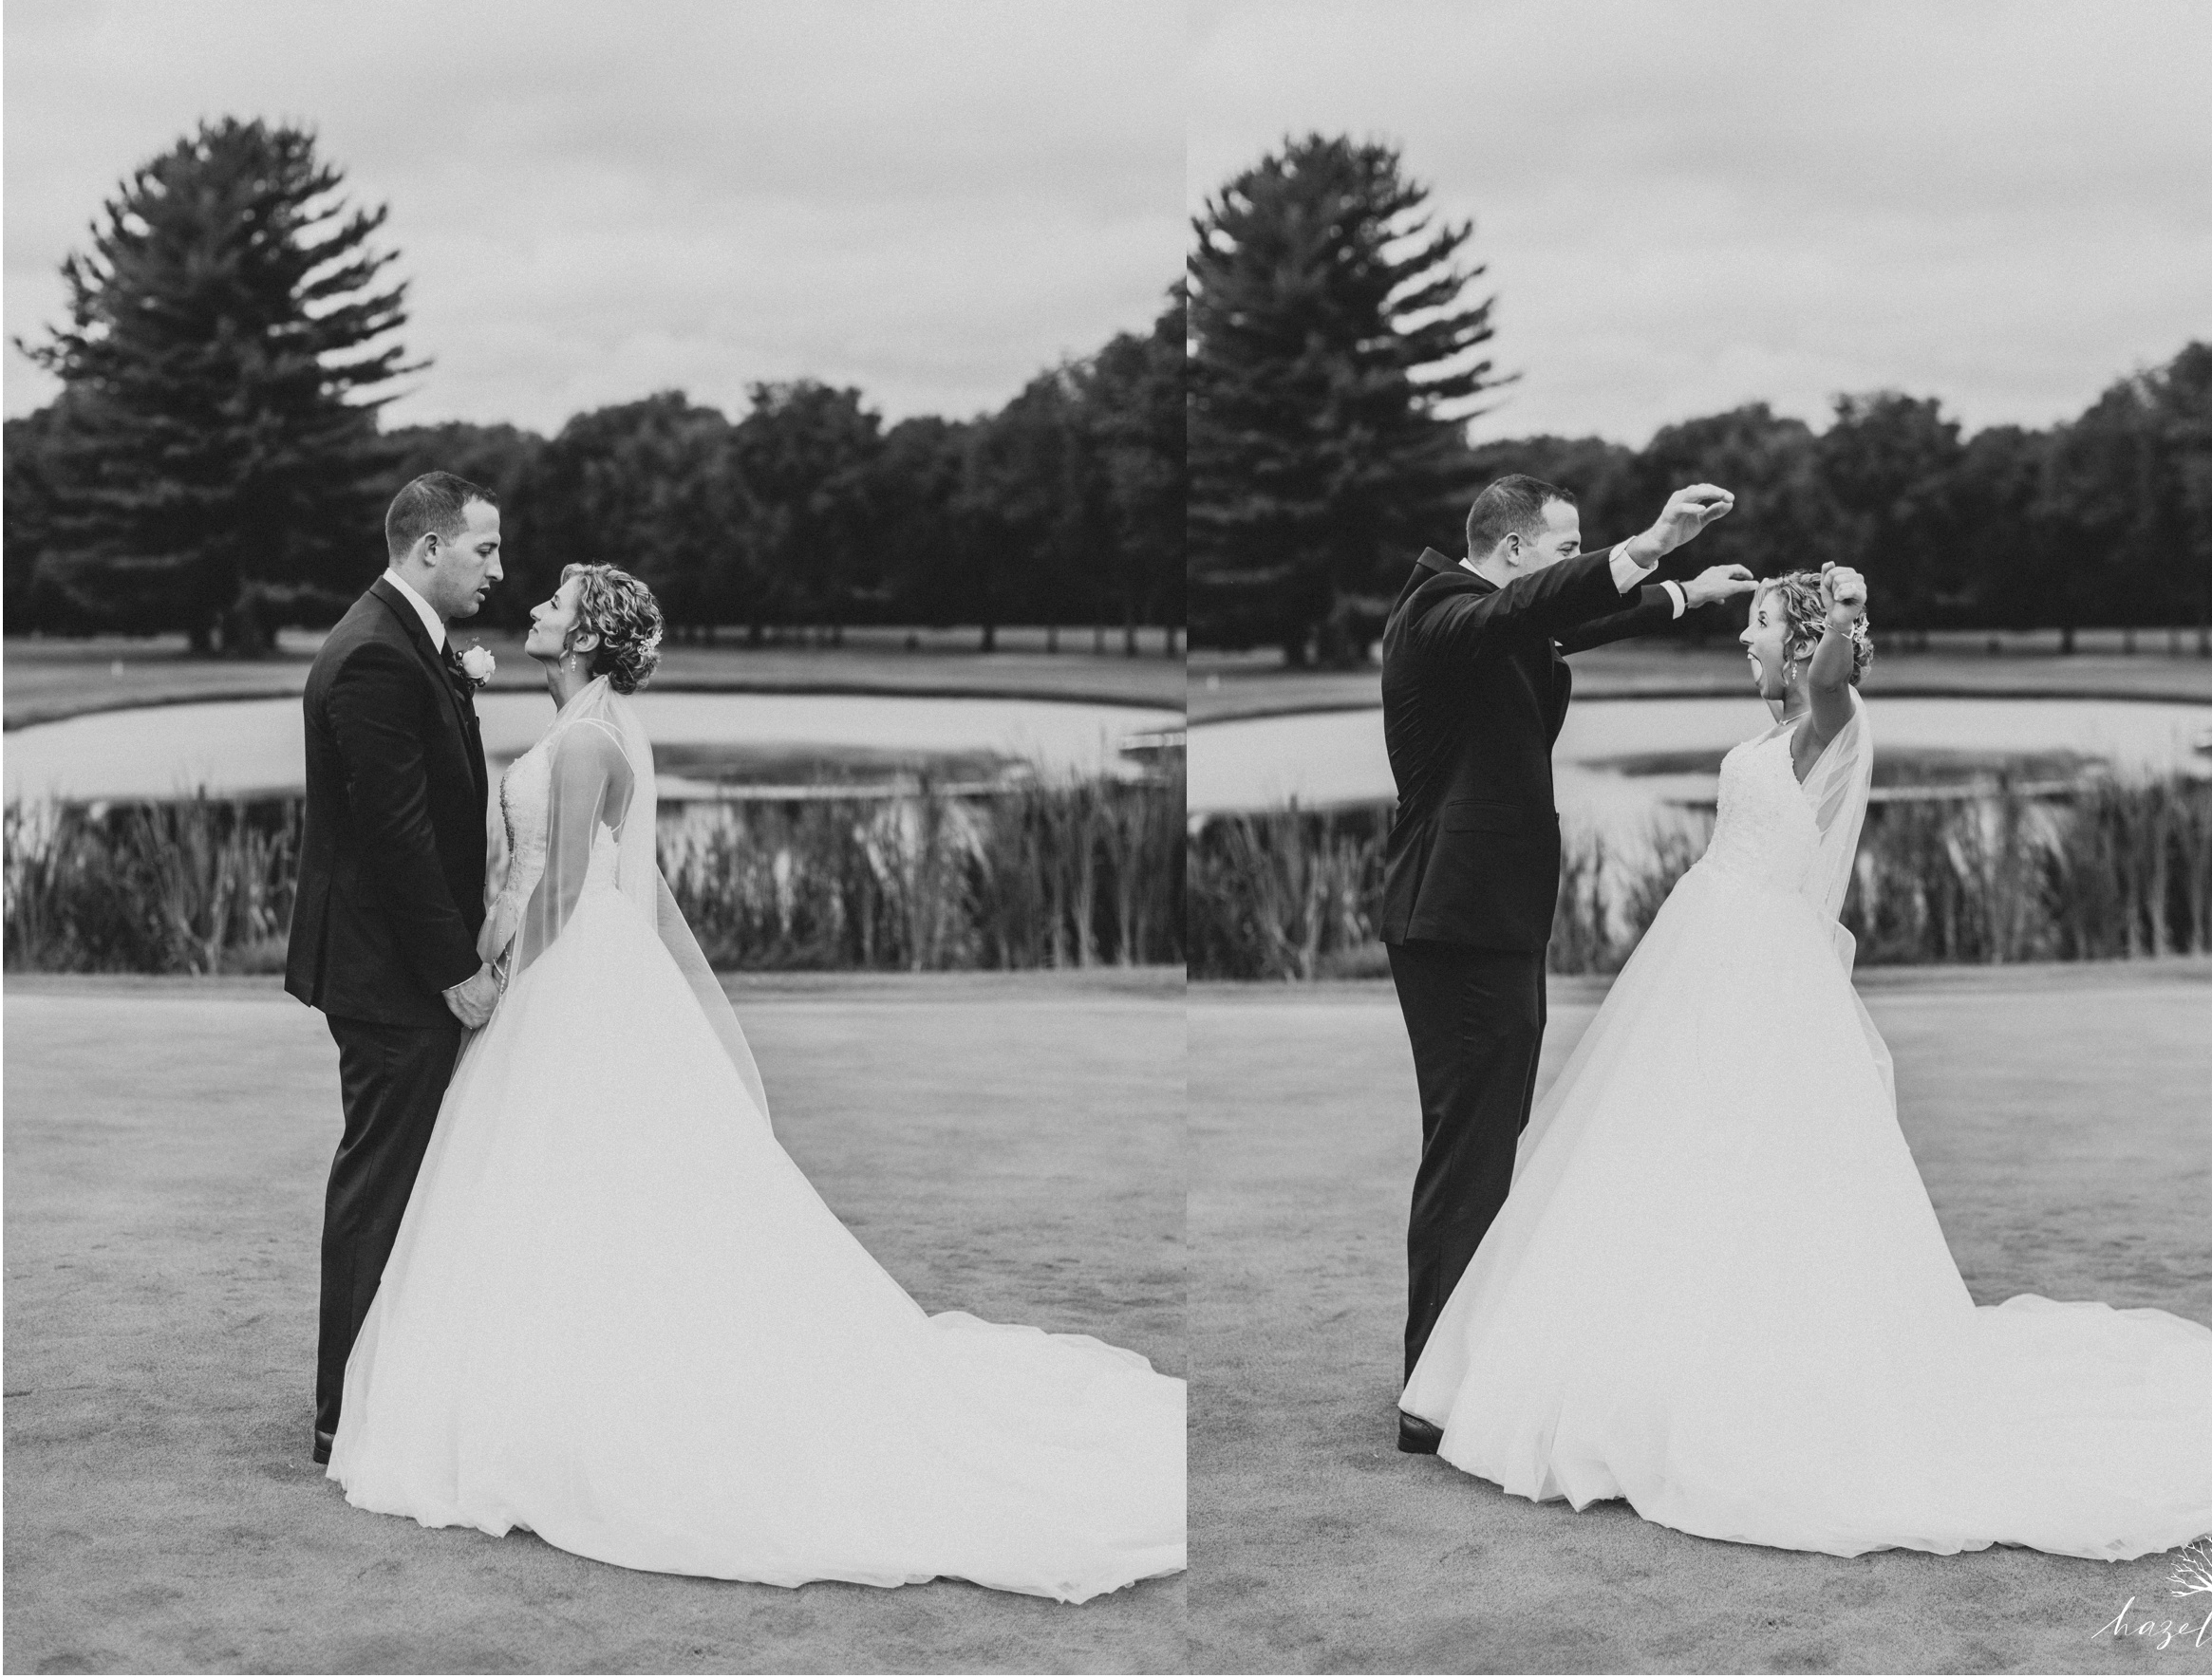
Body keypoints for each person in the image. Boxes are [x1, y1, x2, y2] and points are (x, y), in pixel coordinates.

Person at [1398, 565, 2212, 1558]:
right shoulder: (1775, 735)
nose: (1745, 641)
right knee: (1672, 1156)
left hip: (1753, 969)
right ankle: (1657, 1351)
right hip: (1705, 959)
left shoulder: (1824, 723)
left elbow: (1837, 683)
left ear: (1801, 645)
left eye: (1760, 627)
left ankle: (1749, 1366)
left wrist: (1838, 611)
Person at [326, 562, 1186, 1603]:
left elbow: (556, 894)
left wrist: (499, 982)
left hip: (566, 970)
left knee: (555, 1169)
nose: (536, 609)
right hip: (562, 961)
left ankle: (582, 1395)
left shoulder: (592, 738)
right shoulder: (577, 724)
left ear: (589, 639)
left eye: (556, 604)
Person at [1377, 473, 1758, 1451]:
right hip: (1457, 920)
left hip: (1485, 914)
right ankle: (1432, 1390)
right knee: (1468, 1150)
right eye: (1560, 545)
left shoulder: (1488, 617)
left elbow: (1563, 624)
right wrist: (1649, 543)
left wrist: (1682, 594)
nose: (1567, 560)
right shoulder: (1439, 616)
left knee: (1483, 1140)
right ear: (1510, 550)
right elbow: (1538, 609)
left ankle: (1455, 1364)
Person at [286, 473, 505, 1466]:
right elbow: (396, 840)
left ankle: (386, 1390)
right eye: (484, 550)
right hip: (390, 973)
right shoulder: (377, 656)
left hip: (391, 964)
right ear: (428, 550)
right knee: (380, 1184)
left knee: (407, 1181)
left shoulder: (407, 642)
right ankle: (344, 1414)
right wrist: (455, 969)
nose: (498, 569)